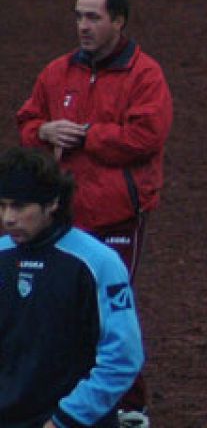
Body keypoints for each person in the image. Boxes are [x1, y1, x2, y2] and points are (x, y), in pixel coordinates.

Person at [15, 0, 173, 428]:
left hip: (117, 214)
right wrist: (45, 132)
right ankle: (64, 395)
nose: (83, 26)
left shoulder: (145, 75)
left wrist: (85, 135)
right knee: (60, 306)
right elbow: (28, 122)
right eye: (79, 16)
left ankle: (129, 408)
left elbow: (146, 137)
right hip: (63, 217)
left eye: (93, 17)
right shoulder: (56, 72)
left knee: (107, 307)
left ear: (118, 22)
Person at [0, 146, 144, 427]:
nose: (8, 218)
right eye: (2, 205)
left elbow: (123, 356)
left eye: (19, 206)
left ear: (52, 203)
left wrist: (65, 419)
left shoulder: (97, 263)